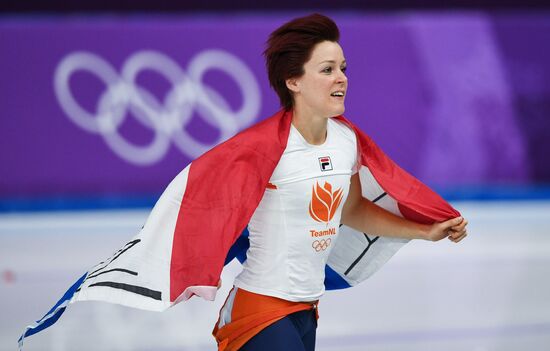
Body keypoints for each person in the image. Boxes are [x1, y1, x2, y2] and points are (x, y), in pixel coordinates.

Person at [211, 13, 468, 351]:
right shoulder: (263, 149)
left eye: (343, 68)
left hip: (307, 311)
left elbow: (352, 210)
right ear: (293, 81)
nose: (341, 79)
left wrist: (425, 231)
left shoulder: (346, 140)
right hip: (260, 311)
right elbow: (213, 213)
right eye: (327, 70)